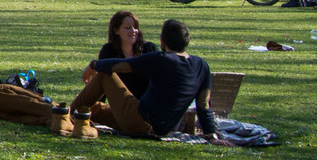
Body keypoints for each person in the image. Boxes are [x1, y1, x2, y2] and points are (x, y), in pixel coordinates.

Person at [68, 18, 225, 141]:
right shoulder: (202, 65)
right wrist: (211, 134)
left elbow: (120, 65)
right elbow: (204, 105)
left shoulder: (161, 59)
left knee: (103, 74)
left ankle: (66, 116)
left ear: (162, 41)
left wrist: (94, 65)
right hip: (162, 129)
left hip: (140, 120)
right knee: (93, 109)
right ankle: (72, 114)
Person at [82, 11, 158, 108]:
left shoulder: (149, 49)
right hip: (123, 109)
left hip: (148, 109)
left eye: (135, 27)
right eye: (127, 28)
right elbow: (103, 84)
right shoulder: (109, 51)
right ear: (116, 30)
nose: (133, 31)